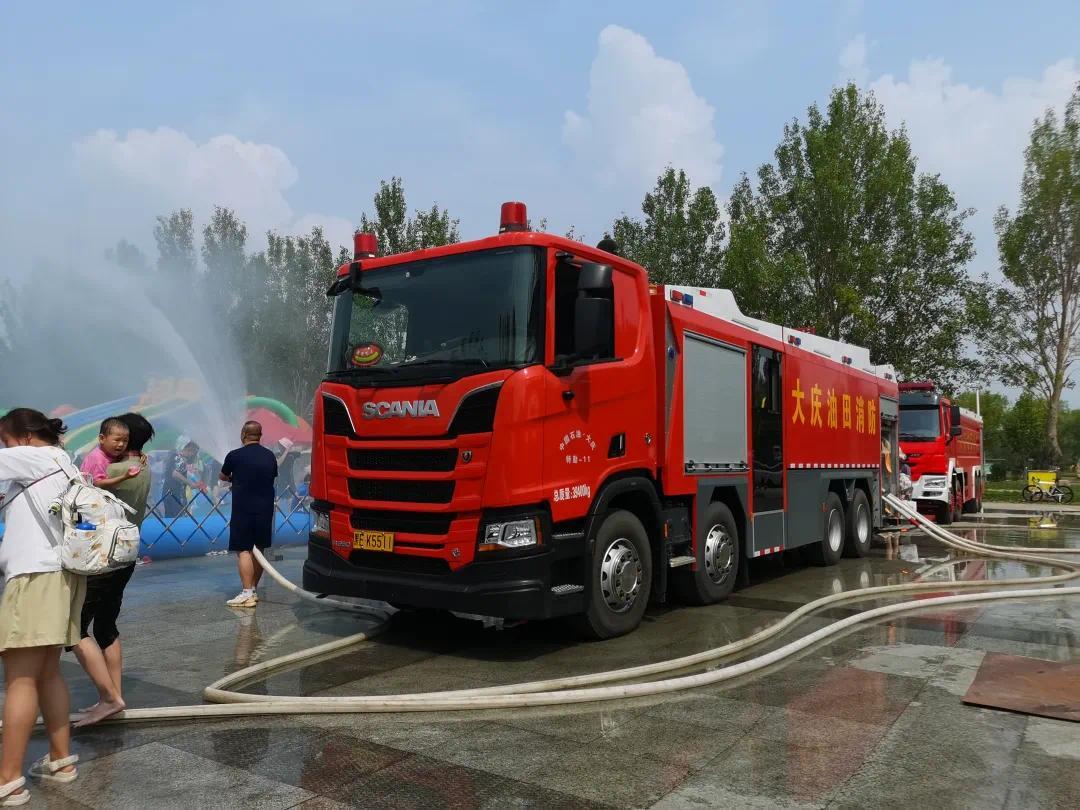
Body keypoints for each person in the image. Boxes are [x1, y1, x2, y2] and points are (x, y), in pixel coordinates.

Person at [0, 409, 84, 805]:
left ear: (26, 436)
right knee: (48, 671)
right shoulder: (65, 463)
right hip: (62, 577)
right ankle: (60, 760)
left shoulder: (33, 457)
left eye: (5, 440)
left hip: (34, 578)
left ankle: (8, 780)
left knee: (20, 678)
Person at [71, 412, 154, 727]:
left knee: (74, 628)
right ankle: (114, 695)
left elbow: (82, 507)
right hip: (126, 555)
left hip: (101, 559)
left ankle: (109, 697)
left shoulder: (113, 470)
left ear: (125, 439)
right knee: (106, 627)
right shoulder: (141, 467)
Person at [219, 421, 278, 608]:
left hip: (243, 508)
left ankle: (246, 593)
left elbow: (222, 476)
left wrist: (233, 478)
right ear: (260, 435)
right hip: (266, 508)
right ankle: (253, 590)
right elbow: (270, 477)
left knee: (243, 549)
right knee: (259, 549)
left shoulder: (235, 455)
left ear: (243, 433)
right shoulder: (270, 456)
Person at [79, 417, 139, 489]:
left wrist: (139, 454)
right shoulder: (98, 459)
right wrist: (125, 477)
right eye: (117, 440)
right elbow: (98, 483)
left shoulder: (109, 451)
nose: (121, 444)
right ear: (102, 439)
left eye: (125, 441)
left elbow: (125, 453)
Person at [161, 436, 202, 519]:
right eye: (192, 451)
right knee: (178, 518)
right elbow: (175, 473)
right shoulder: (180, 459)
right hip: (176, 494)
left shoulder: (174, 457)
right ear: (186, 449)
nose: (192, 454)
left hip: (167, 492)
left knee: (169, 518)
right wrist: (191, 484)